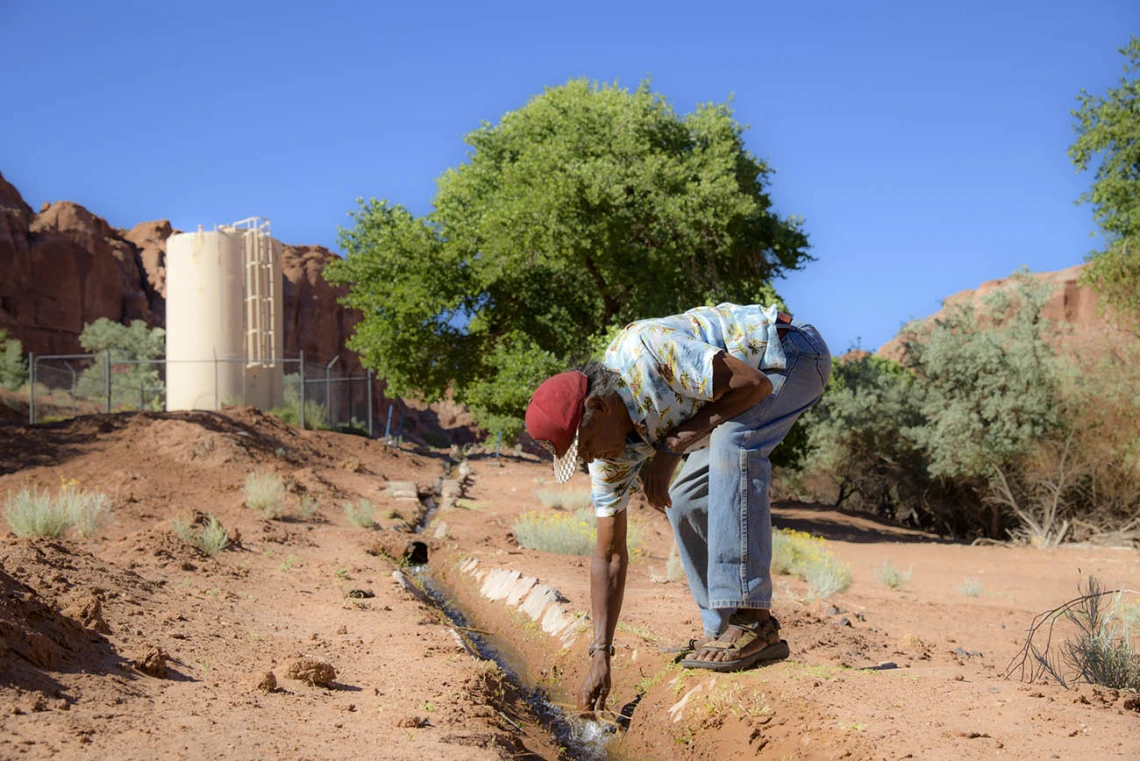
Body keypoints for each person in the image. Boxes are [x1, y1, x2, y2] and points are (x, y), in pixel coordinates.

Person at [524, 303, 831, 714]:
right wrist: (600, 653)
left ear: (598, 408)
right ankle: (723, 629)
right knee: (685, 498)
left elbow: (753, 386)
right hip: (742, 393)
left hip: (786, 355)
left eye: (585, 447)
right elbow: (609, 554)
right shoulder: (609, 454)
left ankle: (753, 622)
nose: (589, 459)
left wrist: (671, 447)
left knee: (734, 445)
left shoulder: (647, 353)